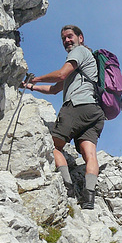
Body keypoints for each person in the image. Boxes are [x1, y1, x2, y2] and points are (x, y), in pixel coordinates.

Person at [22, 25, 105, 209]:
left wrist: (35, 79)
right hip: (94, 112)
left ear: (80, 38)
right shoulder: (85, 64)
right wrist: (31, 87)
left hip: (76, 106)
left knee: (52, 146)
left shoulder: (79, 52)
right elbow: (54, 89)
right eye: (63, 39)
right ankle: (88, 198)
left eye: (70, 36)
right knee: (89, 155)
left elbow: (60, 75)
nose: (67, 41)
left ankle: (67, 187)